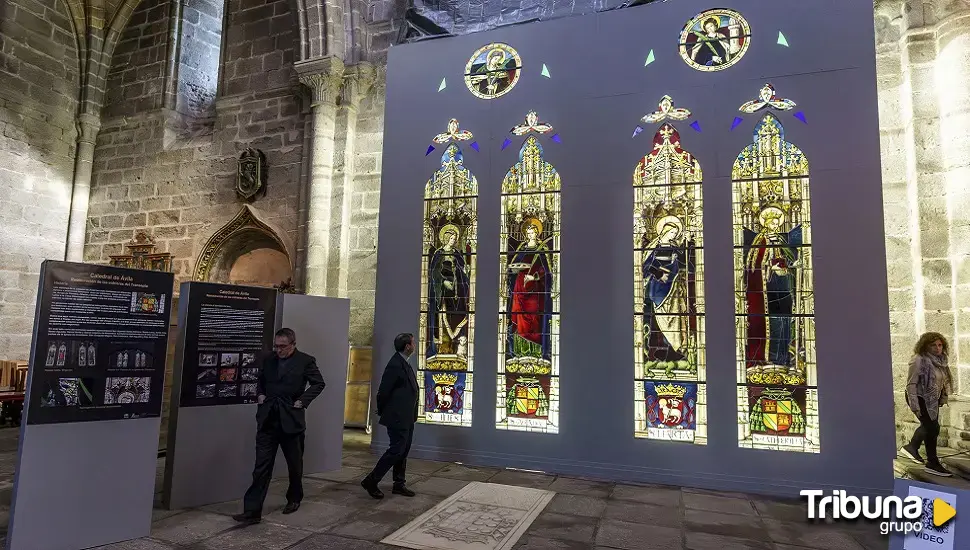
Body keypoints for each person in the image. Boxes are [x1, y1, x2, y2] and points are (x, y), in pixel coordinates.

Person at [233, 328, 326, 524]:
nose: (278, 350)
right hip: (268, 419)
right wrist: (260, 394)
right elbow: (260, 380)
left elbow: (319, 383)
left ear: (293, 344)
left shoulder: (306, 361)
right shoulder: (268, 359)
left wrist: (302, 401)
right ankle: (252, 511)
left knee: (294, 464)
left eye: (282, 347)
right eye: (276, 346)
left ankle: (294, 498)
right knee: (261, 467)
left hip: (291, 419)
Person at [361, 333, 418, 499]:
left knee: (403, 450)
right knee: (396, 451)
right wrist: (383, 411)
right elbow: (383, 392)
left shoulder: (403, 362)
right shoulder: (395, 365)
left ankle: (399, 484)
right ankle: (371, 480)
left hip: (406, 416)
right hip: (397, 417)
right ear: (407, 346)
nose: (414, 346)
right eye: (413, 343)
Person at [900, 331, 954, 477]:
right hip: (919, 396)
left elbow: (942, 381)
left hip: (932, 398)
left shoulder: (941, 360)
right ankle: (932, 462)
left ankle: (912, 447)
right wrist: (915, 406)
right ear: (925, 346)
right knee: (932, 426)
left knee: (930, 427)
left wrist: (942, 398)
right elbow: (911, 384)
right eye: (933, 345)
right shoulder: (918, 360)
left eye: (940, 345)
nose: (938, 348)